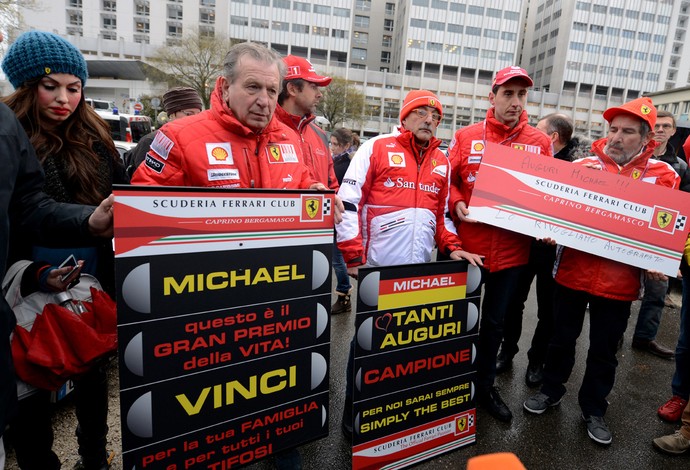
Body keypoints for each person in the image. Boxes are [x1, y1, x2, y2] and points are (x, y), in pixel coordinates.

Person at [132, 41, 342, 470]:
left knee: (283, 414)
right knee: (212, 423)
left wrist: (318, 195)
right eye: (253, 87)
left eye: (271, 89)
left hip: (279, 311)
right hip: (207, 315)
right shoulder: (179, 137)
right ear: (225, 86)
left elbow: (305, 190)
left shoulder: (289, 140)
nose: (264, 100)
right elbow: (141, 223)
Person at [1, 30, 127, 470]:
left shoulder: (96, 136)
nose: (63, 99)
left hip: (93, 275)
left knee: (92, 375)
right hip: (26, 280)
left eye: (74, 88)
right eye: (50, 86)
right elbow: (27, 211)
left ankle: (94, 456)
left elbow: (121, 193)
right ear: (26, 85)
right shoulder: (10, 134)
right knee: (34, 381)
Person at [523, 97, 680, 446]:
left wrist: (658, 260)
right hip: (572, 272)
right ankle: (551, 390)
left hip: (619, 283)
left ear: (646, 139)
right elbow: (557, 213)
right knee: (561, 339)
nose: (617, 137)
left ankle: (594, 408)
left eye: (627, 131)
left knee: (604, 351)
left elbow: (662, 229)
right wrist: (550, 229)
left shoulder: (664, 175)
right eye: (613, 129)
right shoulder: (583, 166)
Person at [337, 89, 483, 437]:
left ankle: (389, 414)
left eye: (435, 116)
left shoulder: (442, 161)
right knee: (368, 344)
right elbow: (348, 203)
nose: (429, 120)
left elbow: (443, 215)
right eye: (420, 112)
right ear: (404, 117)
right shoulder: (375, 147)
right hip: (378, 269)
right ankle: (353, 415)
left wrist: (453, 247)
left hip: (421, 272)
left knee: (406, 345)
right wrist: (354, 257)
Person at [447, 66, 552, 422]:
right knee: (456, 320)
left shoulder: (539, 142)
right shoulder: (466, 136)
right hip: (467, 249)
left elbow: (548, 195)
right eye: (508, 93)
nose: (515, 102)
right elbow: (448, 180)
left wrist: (547, 222)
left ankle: (485, 386)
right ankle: (449, 385)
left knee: (494, 324)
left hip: (511, 254)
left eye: (522, 95)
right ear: (491, 97)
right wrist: (456, 200)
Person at [496, 113, 583, 387]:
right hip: (522, 245)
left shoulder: (577, 169)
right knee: (513, 303)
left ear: (553, 137)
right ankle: (507, 351)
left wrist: (559, 233)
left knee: (548, 311)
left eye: (538, 129)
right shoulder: (528, 159)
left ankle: (536, 361)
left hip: (554, 252)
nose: (532, 132)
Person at [275, 56, 347, 313]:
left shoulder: (318, 134)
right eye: (314, 87)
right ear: (292, 89)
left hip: (316, 244)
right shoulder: (264, 129)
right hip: (275, 248)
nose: (319, 94)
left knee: (306, 318)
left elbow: (331, 183)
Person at [631, 110, 690, 359]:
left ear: (674, 131)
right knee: (620, 292)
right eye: (657, 125)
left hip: (659, 237)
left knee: (657, 291)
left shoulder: (682, 168)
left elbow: (684, 210)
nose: (661, 130)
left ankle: (645, 338)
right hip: (628, 232)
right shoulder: (633, 159)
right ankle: (610, 337)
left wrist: (674, 253)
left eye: (667, 126)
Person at [123, 86, 203, 177]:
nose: (196, 119)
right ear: (172, 114)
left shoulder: (201, 141)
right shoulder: (151, 142)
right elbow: (144, 183)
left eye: (199, 114)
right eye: (189, 114)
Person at [329, 128, 356, 314]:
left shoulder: (345, 165)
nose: (332, 148)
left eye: (336, 144)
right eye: (331, 143)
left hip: (340, 217)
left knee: (337, 260)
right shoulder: (337, 161)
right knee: (336, 259)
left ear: (346, 145)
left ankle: (344, 295)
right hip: (334, 215)